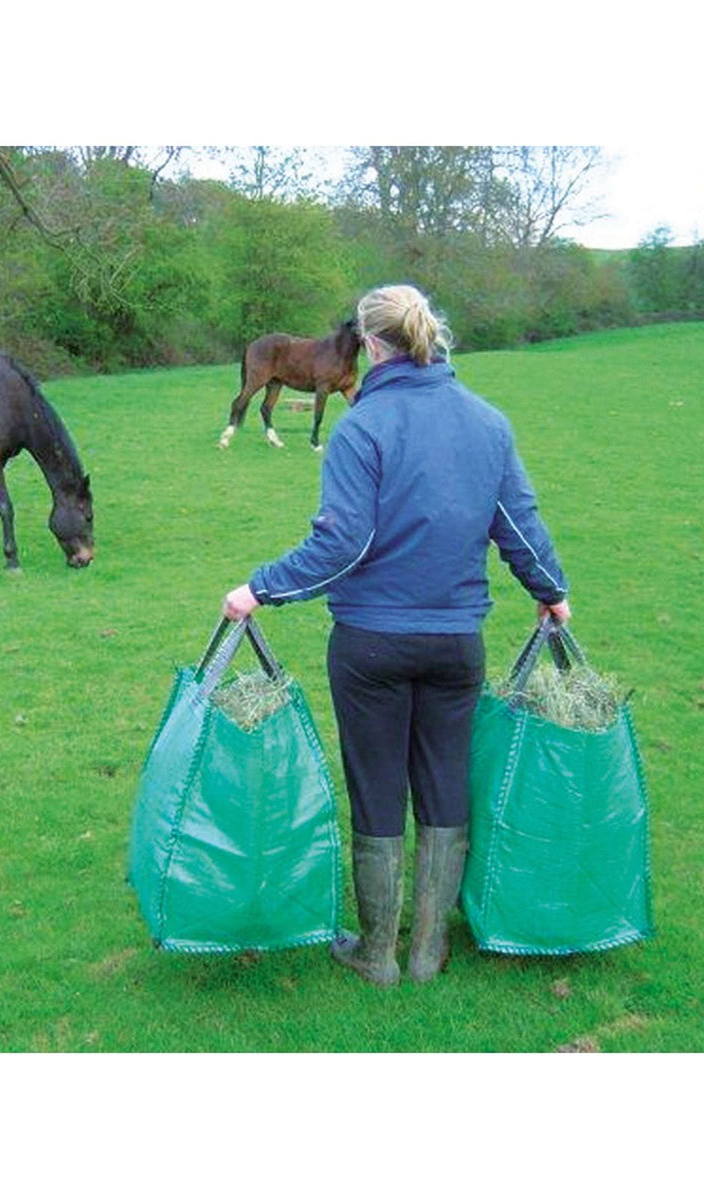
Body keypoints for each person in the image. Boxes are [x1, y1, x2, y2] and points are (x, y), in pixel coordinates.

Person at [223, 283, 571, 986]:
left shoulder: (360, 427)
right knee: (444, 781)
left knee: (378, 785)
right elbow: (521, 528)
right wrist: (552, 593)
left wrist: (258, 588)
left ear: (371, 347)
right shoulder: (488, 422)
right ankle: (426, 952)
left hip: (371, 646)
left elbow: (341, 547)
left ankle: (378, 952)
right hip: (454, 644)